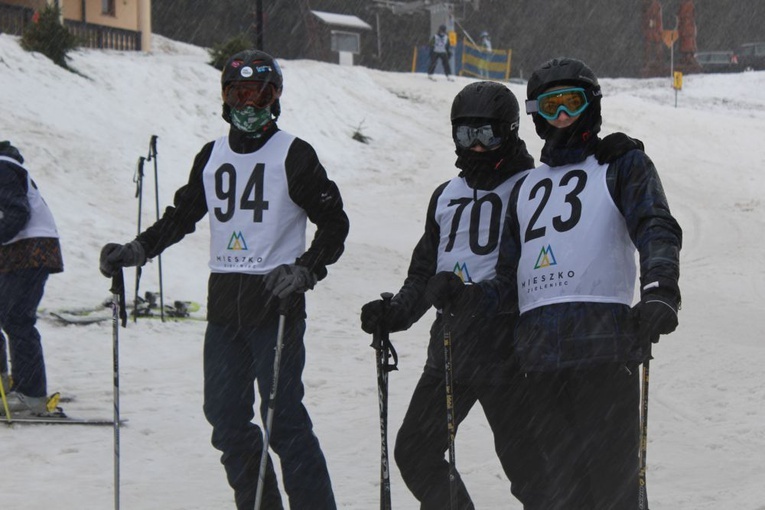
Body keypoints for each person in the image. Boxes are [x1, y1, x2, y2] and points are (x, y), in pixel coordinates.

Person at [359, 81, 643, 509]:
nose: (475, 148)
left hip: (510, 353)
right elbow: (423, 273)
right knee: (414, 452)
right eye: (464, 135)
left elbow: (574, 185)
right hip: (451, 349)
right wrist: (395, 313)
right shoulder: (445, 195)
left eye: (486, 135)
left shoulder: (532, 185)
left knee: (534, 476)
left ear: (510, 132)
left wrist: (616, 149)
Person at [99, 50, 349, 510]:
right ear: (225, 98)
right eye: (240, 94)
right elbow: (182, 215)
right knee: (226, 419)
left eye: (260, 94)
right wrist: (138, 250)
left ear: (275, 100)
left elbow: (335, 224)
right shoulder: (211, 155)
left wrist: (306, 269)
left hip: (275, 304)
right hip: (224, 309)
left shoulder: (293, 154)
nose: (249, 105)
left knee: (284, 420)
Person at [442, 57, 681, 508]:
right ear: (535, 116)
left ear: (592, 105)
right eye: (551, 107)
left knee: (613, 488)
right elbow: (509, 282)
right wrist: (467, 296)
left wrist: (660, 290)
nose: (563, 118)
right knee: (561, 492)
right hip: (540, 359)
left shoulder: (620, 164)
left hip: (604, 347)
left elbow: (656, 226)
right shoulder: (527, 188)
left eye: (572, 103)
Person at [0, 140, 64, 415]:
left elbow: (17, 213)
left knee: (17, 318)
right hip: (16, 249)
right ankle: (6, 383)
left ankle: (31, 395)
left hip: (32, 248)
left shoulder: (3, 166)